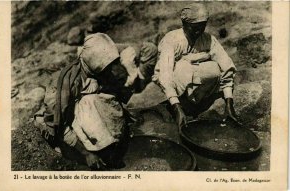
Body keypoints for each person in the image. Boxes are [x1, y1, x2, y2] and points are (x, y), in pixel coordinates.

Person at [151, 3, 240, 131]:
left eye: (202, 27)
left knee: (215, 67)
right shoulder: (172, 39)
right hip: (179, 85)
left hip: (203, 90)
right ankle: (181, 104)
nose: (198, 31)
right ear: (184, 24)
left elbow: (227, 66)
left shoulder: (209, 39)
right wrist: (176, 108)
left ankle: (198, 103)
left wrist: (229, 103)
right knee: (183, 67)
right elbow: (165, 74)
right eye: (194, 27)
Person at [53, 33, 133, 169]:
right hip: (72, 127)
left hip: (91, 120)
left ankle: (111, 146)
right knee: (89, 101)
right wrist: (86, 153)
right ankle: (99, 150)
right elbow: (60, 126)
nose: (109, 69)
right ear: (93, 61)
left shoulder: (100, 72)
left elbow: (115, 98)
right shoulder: (69, 82)